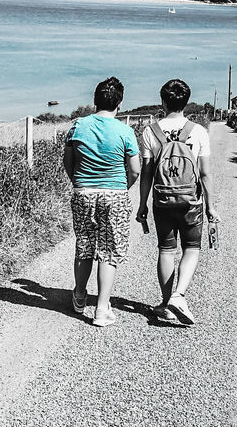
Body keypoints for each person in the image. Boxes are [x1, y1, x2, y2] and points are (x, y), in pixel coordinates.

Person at [136, 78, 220, 325]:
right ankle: (179, 294)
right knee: (191, 248)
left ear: (162, 101)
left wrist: (142, 205)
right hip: (191, 201)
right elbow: (205, 173)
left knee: (165, 249)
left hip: (162, 200)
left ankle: (165, 304)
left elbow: (147, 173)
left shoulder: (150, 131)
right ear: (186, 102)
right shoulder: (199, 131)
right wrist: (211, 206)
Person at [63, 76, 140, 327]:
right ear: (119, 102)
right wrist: (122, 187)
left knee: (84, 244)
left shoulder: (77, 126)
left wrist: (79, 182)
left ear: (94, 100)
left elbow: (68, 161)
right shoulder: (125, 131)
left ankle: (79, 295)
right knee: (109, 251)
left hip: (83, 192)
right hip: (114, 194)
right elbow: (135, 170)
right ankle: (102, 308)